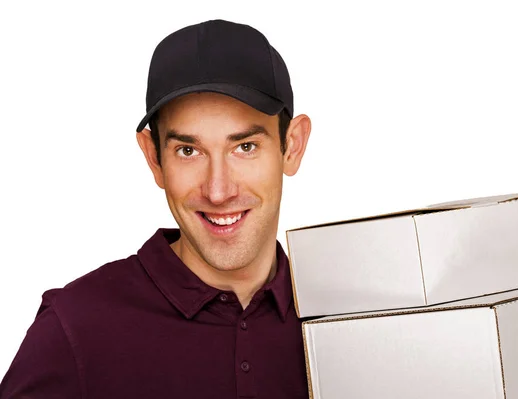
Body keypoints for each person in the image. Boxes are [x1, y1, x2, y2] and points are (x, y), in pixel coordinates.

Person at [0, 19, 312, 399]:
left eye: (244, 147)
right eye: (188, 151)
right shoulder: (76, 327)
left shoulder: (352, 316)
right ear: (154, 158)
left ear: (292, 146)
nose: (218, 190)